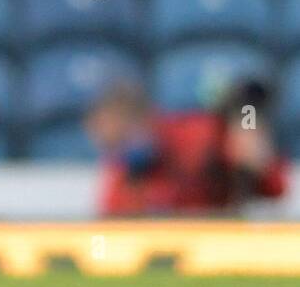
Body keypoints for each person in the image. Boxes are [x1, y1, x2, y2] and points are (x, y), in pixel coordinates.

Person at [86, 77, 288, 216]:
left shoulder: (193, 135)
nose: (122, 148)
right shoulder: (124, 173)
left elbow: (247, 107)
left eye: (123, 135)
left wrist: (248, 125)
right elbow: (114, 220)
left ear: (144, 117)